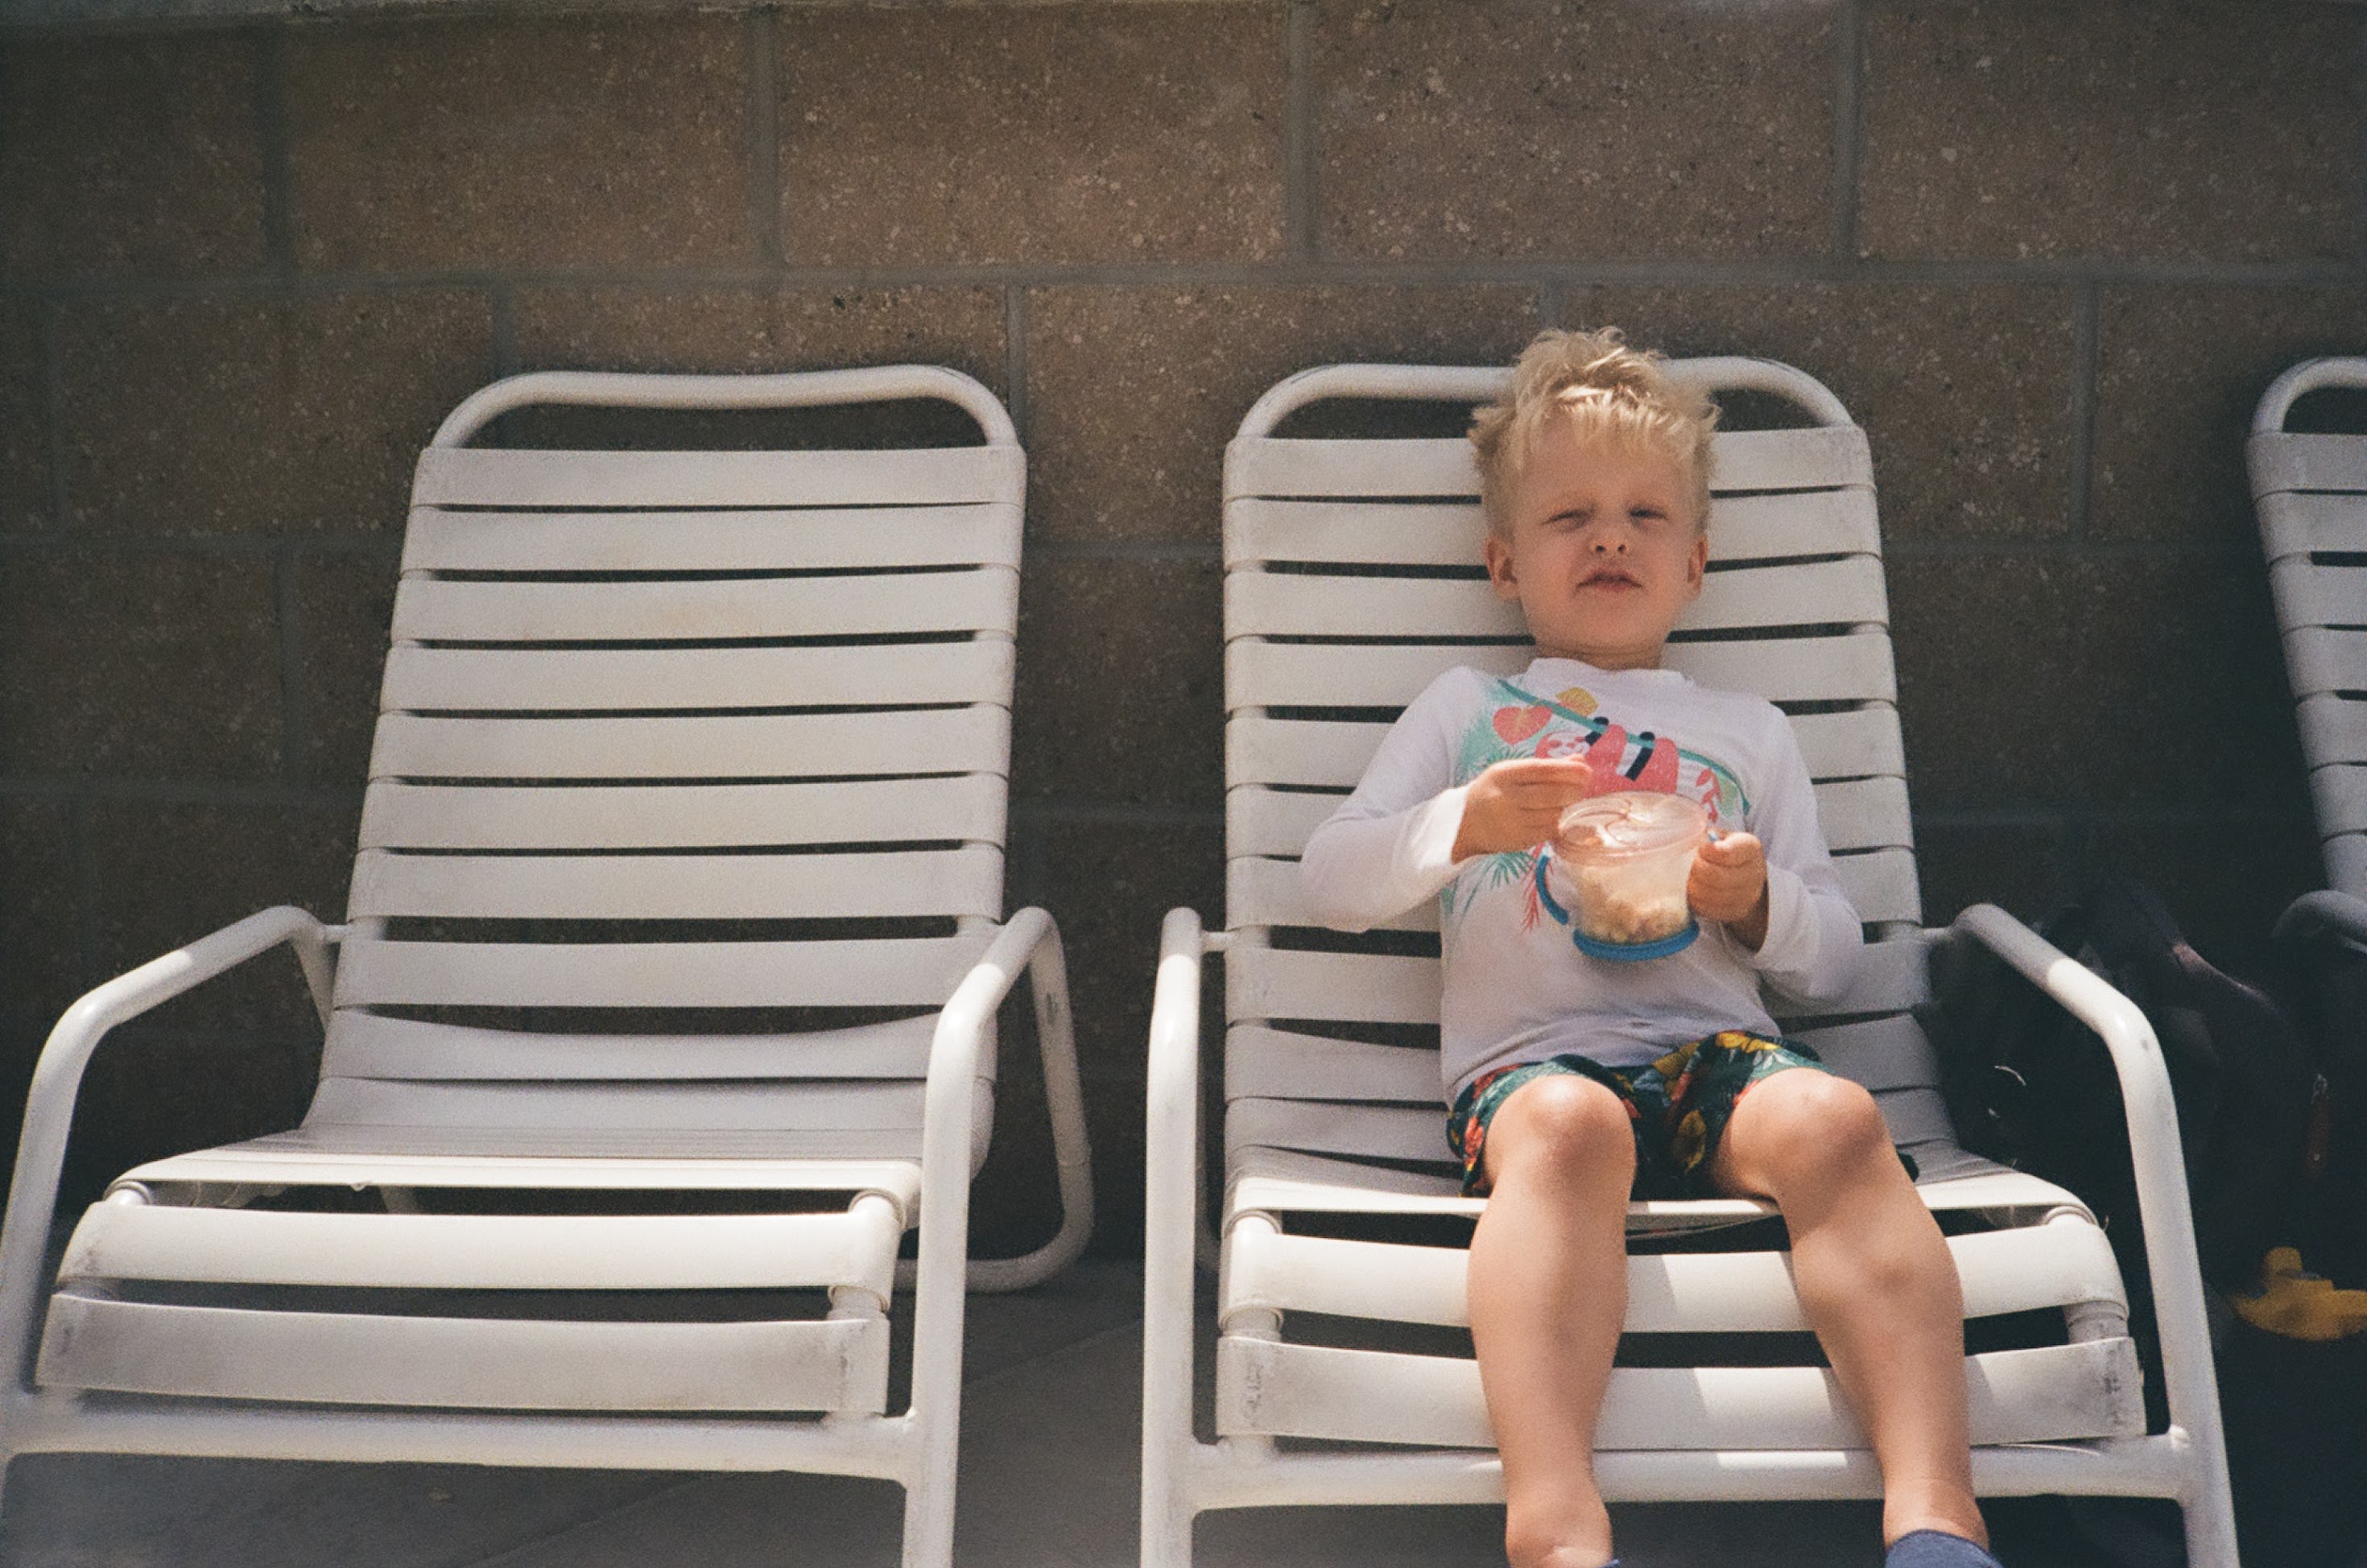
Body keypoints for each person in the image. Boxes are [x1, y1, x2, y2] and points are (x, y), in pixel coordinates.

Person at [1298, 328, 2000, 1568]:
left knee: (1837, 1123)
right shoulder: (1469, 713)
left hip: (1714, 1055)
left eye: (1642, 514)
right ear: (1505, 562)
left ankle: (1938, 1519)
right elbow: (1331, 876)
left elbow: (1834, 959)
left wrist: (1753, 900)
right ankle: (1558, 1528)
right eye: (1570, 514)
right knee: (1577, 1134)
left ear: (1696, 563)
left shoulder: (1752, 732)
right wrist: (1462, 823)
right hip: (1533, 1073)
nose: (1610, 537)